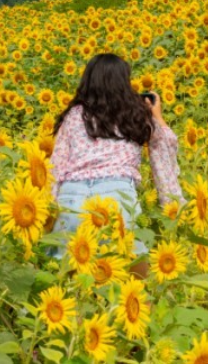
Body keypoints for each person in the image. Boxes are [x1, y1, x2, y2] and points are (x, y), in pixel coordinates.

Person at [50, 53, 183, 275]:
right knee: (136, 282)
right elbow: (165, 144)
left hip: (71, 200)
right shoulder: (135, 114)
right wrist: (157, 116)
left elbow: (56, 166)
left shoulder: (74, 115)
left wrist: (49, 211)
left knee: (66, 280)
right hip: (116, 198)